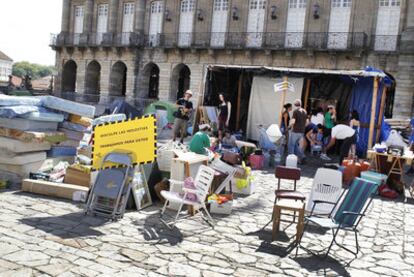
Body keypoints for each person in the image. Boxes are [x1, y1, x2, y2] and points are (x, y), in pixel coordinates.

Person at [288, 99, 307, 163]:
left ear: (294, 105)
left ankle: (290, 160)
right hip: (302, 131)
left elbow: (293, 121)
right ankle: (302, 156)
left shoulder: (295, 111)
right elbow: (307, 122)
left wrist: (289, 127)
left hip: (295, 131)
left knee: (291, 145)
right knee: (295, 145)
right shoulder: (304, 111)